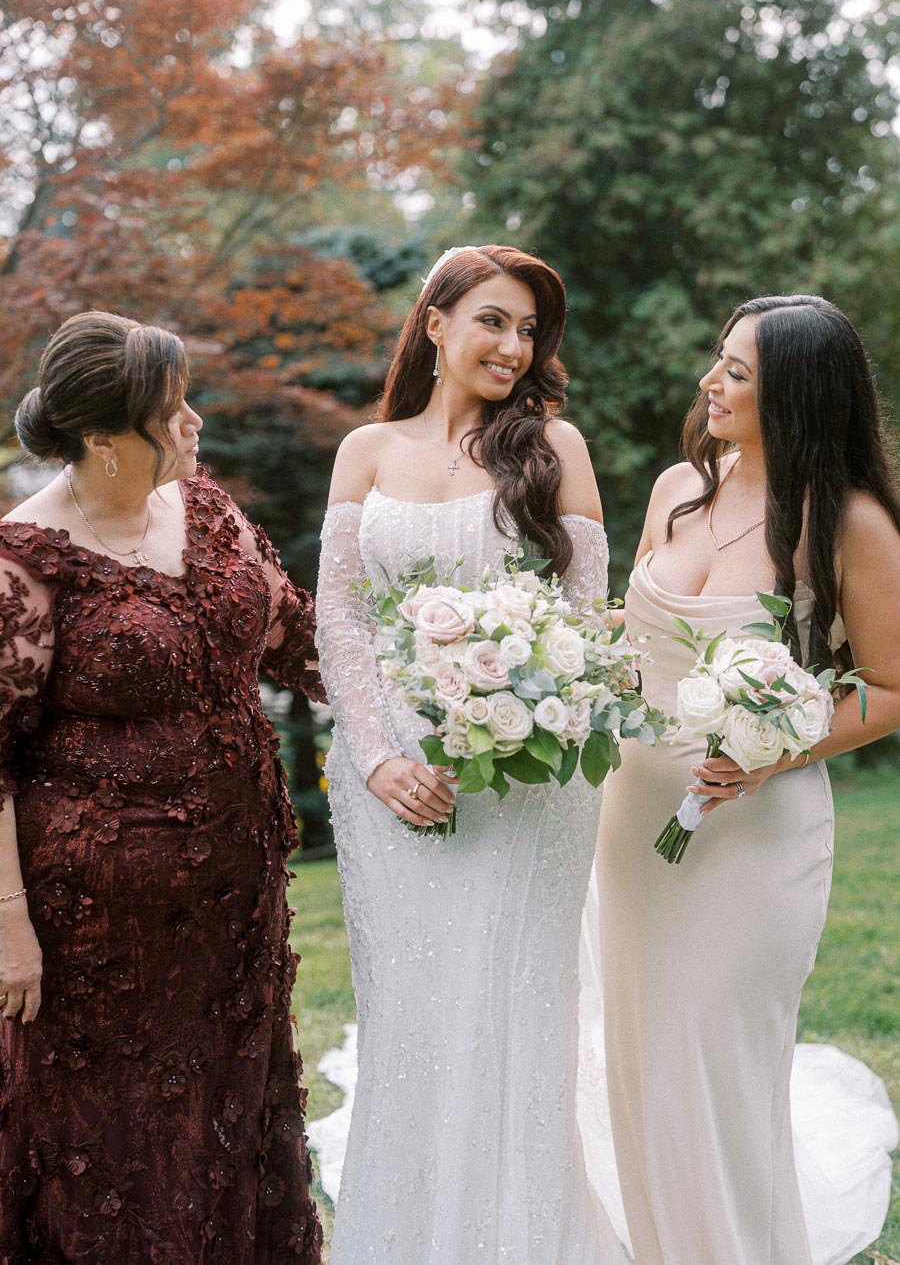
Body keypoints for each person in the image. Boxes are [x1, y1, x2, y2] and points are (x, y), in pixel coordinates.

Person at [315, 245, 629, 1264]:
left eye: (530, 329)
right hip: (394, 779)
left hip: (525, 781)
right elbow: (341, 618)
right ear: (438, 322)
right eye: (494, 319)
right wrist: (374, 760)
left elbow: (585, 626)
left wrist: (528, 721)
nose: (514, 344)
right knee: (414, 1015)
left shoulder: (557, 449)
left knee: (511, 1004)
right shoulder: (364, 450)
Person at [0, 311, 324, 1263]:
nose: (193, 424)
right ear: (102, 440)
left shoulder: (210, 509)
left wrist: (447, 678)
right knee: (116, 1144)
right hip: (97, 926)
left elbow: (299, 644)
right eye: (169, 412)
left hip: (237, 907)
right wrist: (9, 927)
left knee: (227, 1126)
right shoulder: (21, 558)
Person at [595, 295, 900, 1264]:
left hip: (754, 841)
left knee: (717, 1068)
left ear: (799, 393)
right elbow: (632, 640)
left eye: (737, 372)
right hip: (635, 815)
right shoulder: (678, 489)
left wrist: (780, 750)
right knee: (641, 1060)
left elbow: (893, 685)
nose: (709, 382)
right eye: (717, 362)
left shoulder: (848, 524)